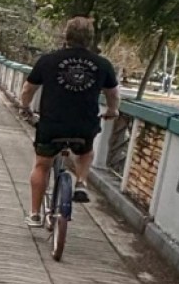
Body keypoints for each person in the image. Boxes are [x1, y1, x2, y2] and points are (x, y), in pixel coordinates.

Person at [20, 16, 120, 225]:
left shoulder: (48, 60)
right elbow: (113, 95)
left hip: (51, 124)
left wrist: (25, 108)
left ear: (66, 36)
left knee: (41, 165)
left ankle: (35, 214)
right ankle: (81, 182)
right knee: (85, 152)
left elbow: (28, 89)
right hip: (83, 125)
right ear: (90, 39)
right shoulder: (102, 64)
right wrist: (112, 111)